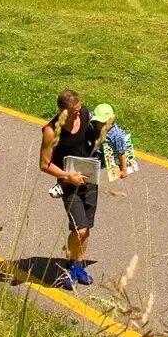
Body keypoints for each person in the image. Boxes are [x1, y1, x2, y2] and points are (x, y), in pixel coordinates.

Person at [39, 89, 101, 289]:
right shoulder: (51, 130)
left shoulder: (84, 114)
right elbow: (45, 164)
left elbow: (94, 136)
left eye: (80, 108)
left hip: (89, 179)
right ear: (62, 111)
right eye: (74, 111)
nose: (79, 113)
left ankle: (78, 265)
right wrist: (68, 176)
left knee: (87, 229)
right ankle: (69, 265)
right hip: (68, 184)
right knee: (78, 228)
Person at [49, 102, 137, 197]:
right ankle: (66, 183)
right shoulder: (93, 121)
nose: (99, 125)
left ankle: (65, 186)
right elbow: (86, 113)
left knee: (86, 172)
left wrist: (124, 169)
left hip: (100, 159)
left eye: (102, 122)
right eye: (97, 121)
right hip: (92, 149)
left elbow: (121, 152)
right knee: (78, 163)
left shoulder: (116, 136)